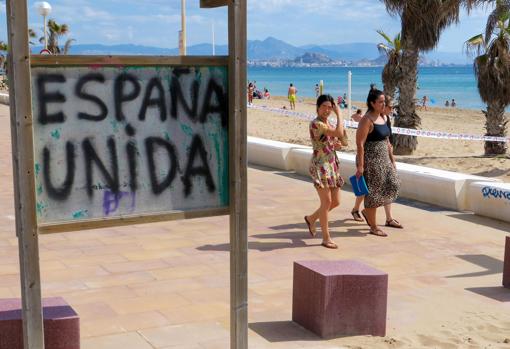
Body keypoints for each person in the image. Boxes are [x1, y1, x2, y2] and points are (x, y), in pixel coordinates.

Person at [350, 95, 402, 229]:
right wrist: (361, 166)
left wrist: (392, 159)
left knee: (393, 184)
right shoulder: (367, 120)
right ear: (372, 103)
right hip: (371, 159)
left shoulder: (384, 118)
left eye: (386, 103)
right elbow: (360, 144)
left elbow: (387, 141)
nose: (384, 105)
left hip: (384, 159)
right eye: (381, 102)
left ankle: (382, 217)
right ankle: (371, 221)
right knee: (372, 191)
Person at [304, 94, 346, 249]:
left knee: (336, 202)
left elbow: (342, 140)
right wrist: (340, 113)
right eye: (324, 107)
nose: (327, 110)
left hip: (331, 164)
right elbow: (340, 134)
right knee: (326, 202)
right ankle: (326, 238)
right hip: (320, 166)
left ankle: (311, 218)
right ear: (317, 107)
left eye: (330, 107)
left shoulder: (327, 123)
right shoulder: (316, 124)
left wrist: (335, 146)